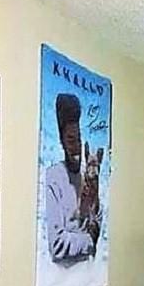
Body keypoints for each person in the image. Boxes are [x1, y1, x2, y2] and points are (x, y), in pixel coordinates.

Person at [45, 93, 100, 263]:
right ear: (61, 141)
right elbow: (57, 244)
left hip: (90, 276)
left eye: (79, 139)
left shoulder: (87, 175)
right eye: (70, 140)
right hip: (61, 280)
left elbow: (97, 221)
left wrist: (94, 197)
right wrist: (89, 239)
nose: (76, 147)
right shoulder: (53, 176)